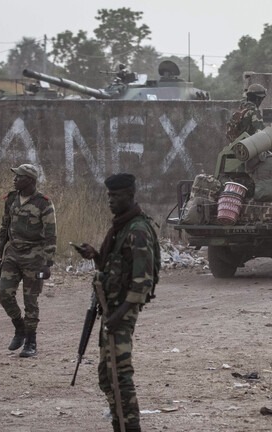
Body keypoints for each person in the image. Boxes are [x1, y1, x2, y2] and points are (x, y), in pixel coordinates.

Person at [74, 173, 160, 432]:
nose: (110, 200)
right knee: (106, 375)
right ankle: (118, 422)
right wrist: (95, 256)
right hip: (111, 310)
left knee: (119, 375)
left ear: (130, 195)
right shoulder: (121, 228)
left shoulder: (138, 231)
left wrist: (119, 315)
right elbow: (115, 267)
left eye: (116, 196)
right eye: (109, 195)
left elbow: (142, 283)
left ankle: (129, 426)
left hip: (122, 312)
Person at [0, 163, 56, 358]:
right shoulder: (11, 199)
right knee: (5, 295)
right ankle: (19, 327)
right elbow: (5, 226)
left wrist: (47, 263)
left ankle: (31, 341)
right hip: (12, 254)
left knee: (31, 301)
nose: (14, 180)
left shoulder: (43, 203)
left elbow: (51, 235)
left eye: (18, 177)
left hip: (34, 258)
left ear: (29, 180)